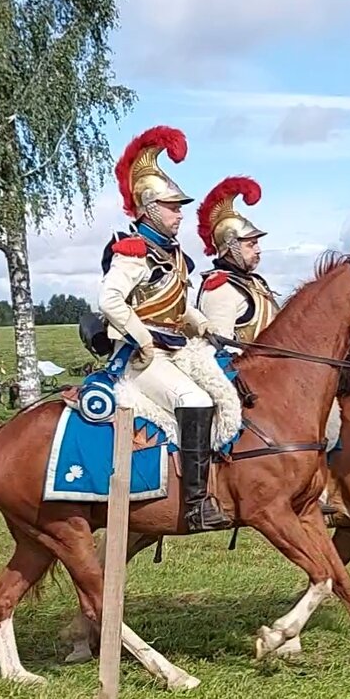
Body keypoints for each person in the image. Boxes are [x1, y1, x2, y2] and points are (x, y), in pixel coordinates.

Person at [97, 125, 231, 533]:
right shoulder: (133, 250)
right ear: (150, 207)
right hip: (141, 357)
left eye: (179, 207)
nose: (180, 214)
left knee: (227, 389)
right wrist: (141, 338)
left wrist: (205, 327)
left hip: (175, 348)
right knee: (194, 400)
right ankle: (194, 505)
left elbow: (177, 309)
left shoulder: (173, 256)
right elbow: (110, 301)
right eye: (173, 207)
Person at [196, 177, 280, 342]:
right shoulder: (220, 289)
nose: (258, 250)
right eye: (251, 244)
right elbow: (219, 349)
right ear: (230, 244)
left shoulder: (253, 282)